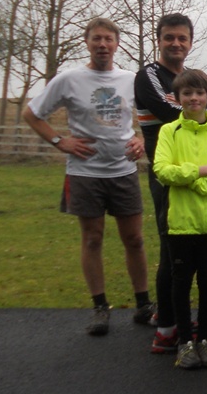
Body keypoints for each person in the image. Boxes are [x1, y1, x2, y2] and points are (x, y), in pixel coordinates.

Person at [22, 17, 153, 335]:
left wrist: (141, 140)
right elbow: (31, 113)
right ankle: (99, 308)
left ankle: (144, 305)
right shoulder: (69, 80)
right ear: (87, 42)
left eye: (108, 39)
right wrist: (59, 141)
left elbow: (149, 118)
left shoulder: (129, 79)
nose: (103, 45)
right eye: (97, 39)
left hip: (123, 171)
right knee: (92, 239)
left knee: (134, 240)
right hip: (84, 173)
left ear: (117, 43)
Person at [135, 13, 207, 354]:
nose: (176, 43)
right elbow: (180, 113)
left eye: (182, 38)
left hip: (204, 175)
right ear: (159, 39)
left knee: (195, 253)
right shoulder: (148, 76)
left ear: (190, 42)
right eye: (169, 37)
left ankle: (182, 319)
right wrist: (197, 113)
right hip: (168, 176)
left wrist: (201, 114)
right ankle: (168, 325)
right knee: (172, 250)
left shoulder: (192, 80)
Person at [152, 69, 207, 369]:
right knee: (181, 282)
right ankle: (185, 341)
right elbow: (162, 170)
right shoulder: (169, 132)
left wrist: (191, 182)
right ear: (177, 98)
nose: (194, 98)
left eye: (199, 93)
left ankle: (206, 339)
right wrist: (198, 172)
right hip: (180, 223)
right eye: (188, 93)